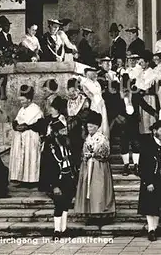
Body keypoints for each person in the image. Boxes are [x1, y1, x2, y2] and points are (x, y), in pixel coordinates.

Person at [40, 96, 77, 239]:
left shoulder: (67, 146)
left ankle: (63, 229)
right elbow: (49, 168)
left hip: (68, 176)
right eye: (61, 132)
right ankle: (56, 230)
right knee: (58, 203)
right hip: (57, 178)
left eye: (64, 131)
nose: (64, 133)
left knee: (67, 201)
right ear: (55, 133)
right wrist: (54, 185)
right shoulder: (51, 149)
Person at [74, 110, 116, 223]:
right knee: (88, 189)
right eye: (88, 126)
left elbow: (106, 153)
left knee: (98, 189)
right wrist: (85, 156)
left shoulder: (102, 138)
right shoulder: (87, 139)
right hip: (88, 166)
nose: (90, 128)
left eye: (92, 126)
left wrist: (94, 154)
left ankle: (101, 213)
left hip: (99, 166)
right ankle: (90, 213)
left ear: (97, 127)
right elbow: (83, 152)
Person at [137, 120, 161, 242]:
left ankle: (155, 229)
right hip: (150, 181)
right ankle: (151, 230)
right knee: (150, 205)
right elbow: (142, 166)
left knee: (157, 205)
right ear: (154, 131)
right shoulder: (147, 145)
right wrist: (148, 182)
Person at [10, 85, 44, 187]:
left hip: (31, 137)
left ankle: (32, 181)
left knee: (30, 158)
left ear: (29, 99)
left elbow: (39, 124)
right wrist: (16, 126)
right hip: (21, 137)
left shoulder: (35, 109)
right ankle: (22, 180)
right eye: (21, 100)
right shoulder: (22, 109)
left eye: (23, 100)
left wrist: (26, 126)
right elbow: (16, 120)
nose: (21, 102)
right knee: (22, 158)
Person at [109, 79, 141, 176]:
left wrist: (155, 113)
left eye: (127, 89)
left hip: (134, 124)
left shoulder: (135, 97)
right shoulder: (115, 98)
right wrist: (118, 116)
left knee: (136, 144)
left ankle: (136, 165)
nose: (125, 91)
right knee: (124, 145)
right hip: (123, 126)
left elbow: (145, 105)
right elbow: (110, 109)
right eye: (123, 89)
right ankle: (126, 165)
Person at [133, 50, 159, 138]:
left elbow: (146, 86)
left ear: (147, 63)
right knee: (143, 124)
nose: (140, 64)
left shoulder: (152, 73)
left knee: (149, 121)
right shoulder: (140, 72)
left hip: (149, 98)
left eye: (142, 62)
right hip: (141, 99)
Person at [66, 78, 91, 168]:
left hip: (81, 129)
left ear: (78, 90)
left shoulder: (84, 100)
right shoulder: (67, 102)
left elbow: (86, 114)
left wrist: (76, 119)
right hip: (70, 130)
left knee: (80, 151)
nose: (72, 93)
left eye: (74, 91)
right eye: (70, 91)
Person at [80, 67, 110, 139]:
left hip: (101, 103)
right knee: (96, 123)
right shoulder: (86, 82)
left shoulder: (96, 82)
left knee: (104, 123)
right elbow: (94, 92)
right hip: (94, 104)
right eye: (93, 73)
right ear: (88, 74)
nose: (96, 75)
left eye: (96, 73)